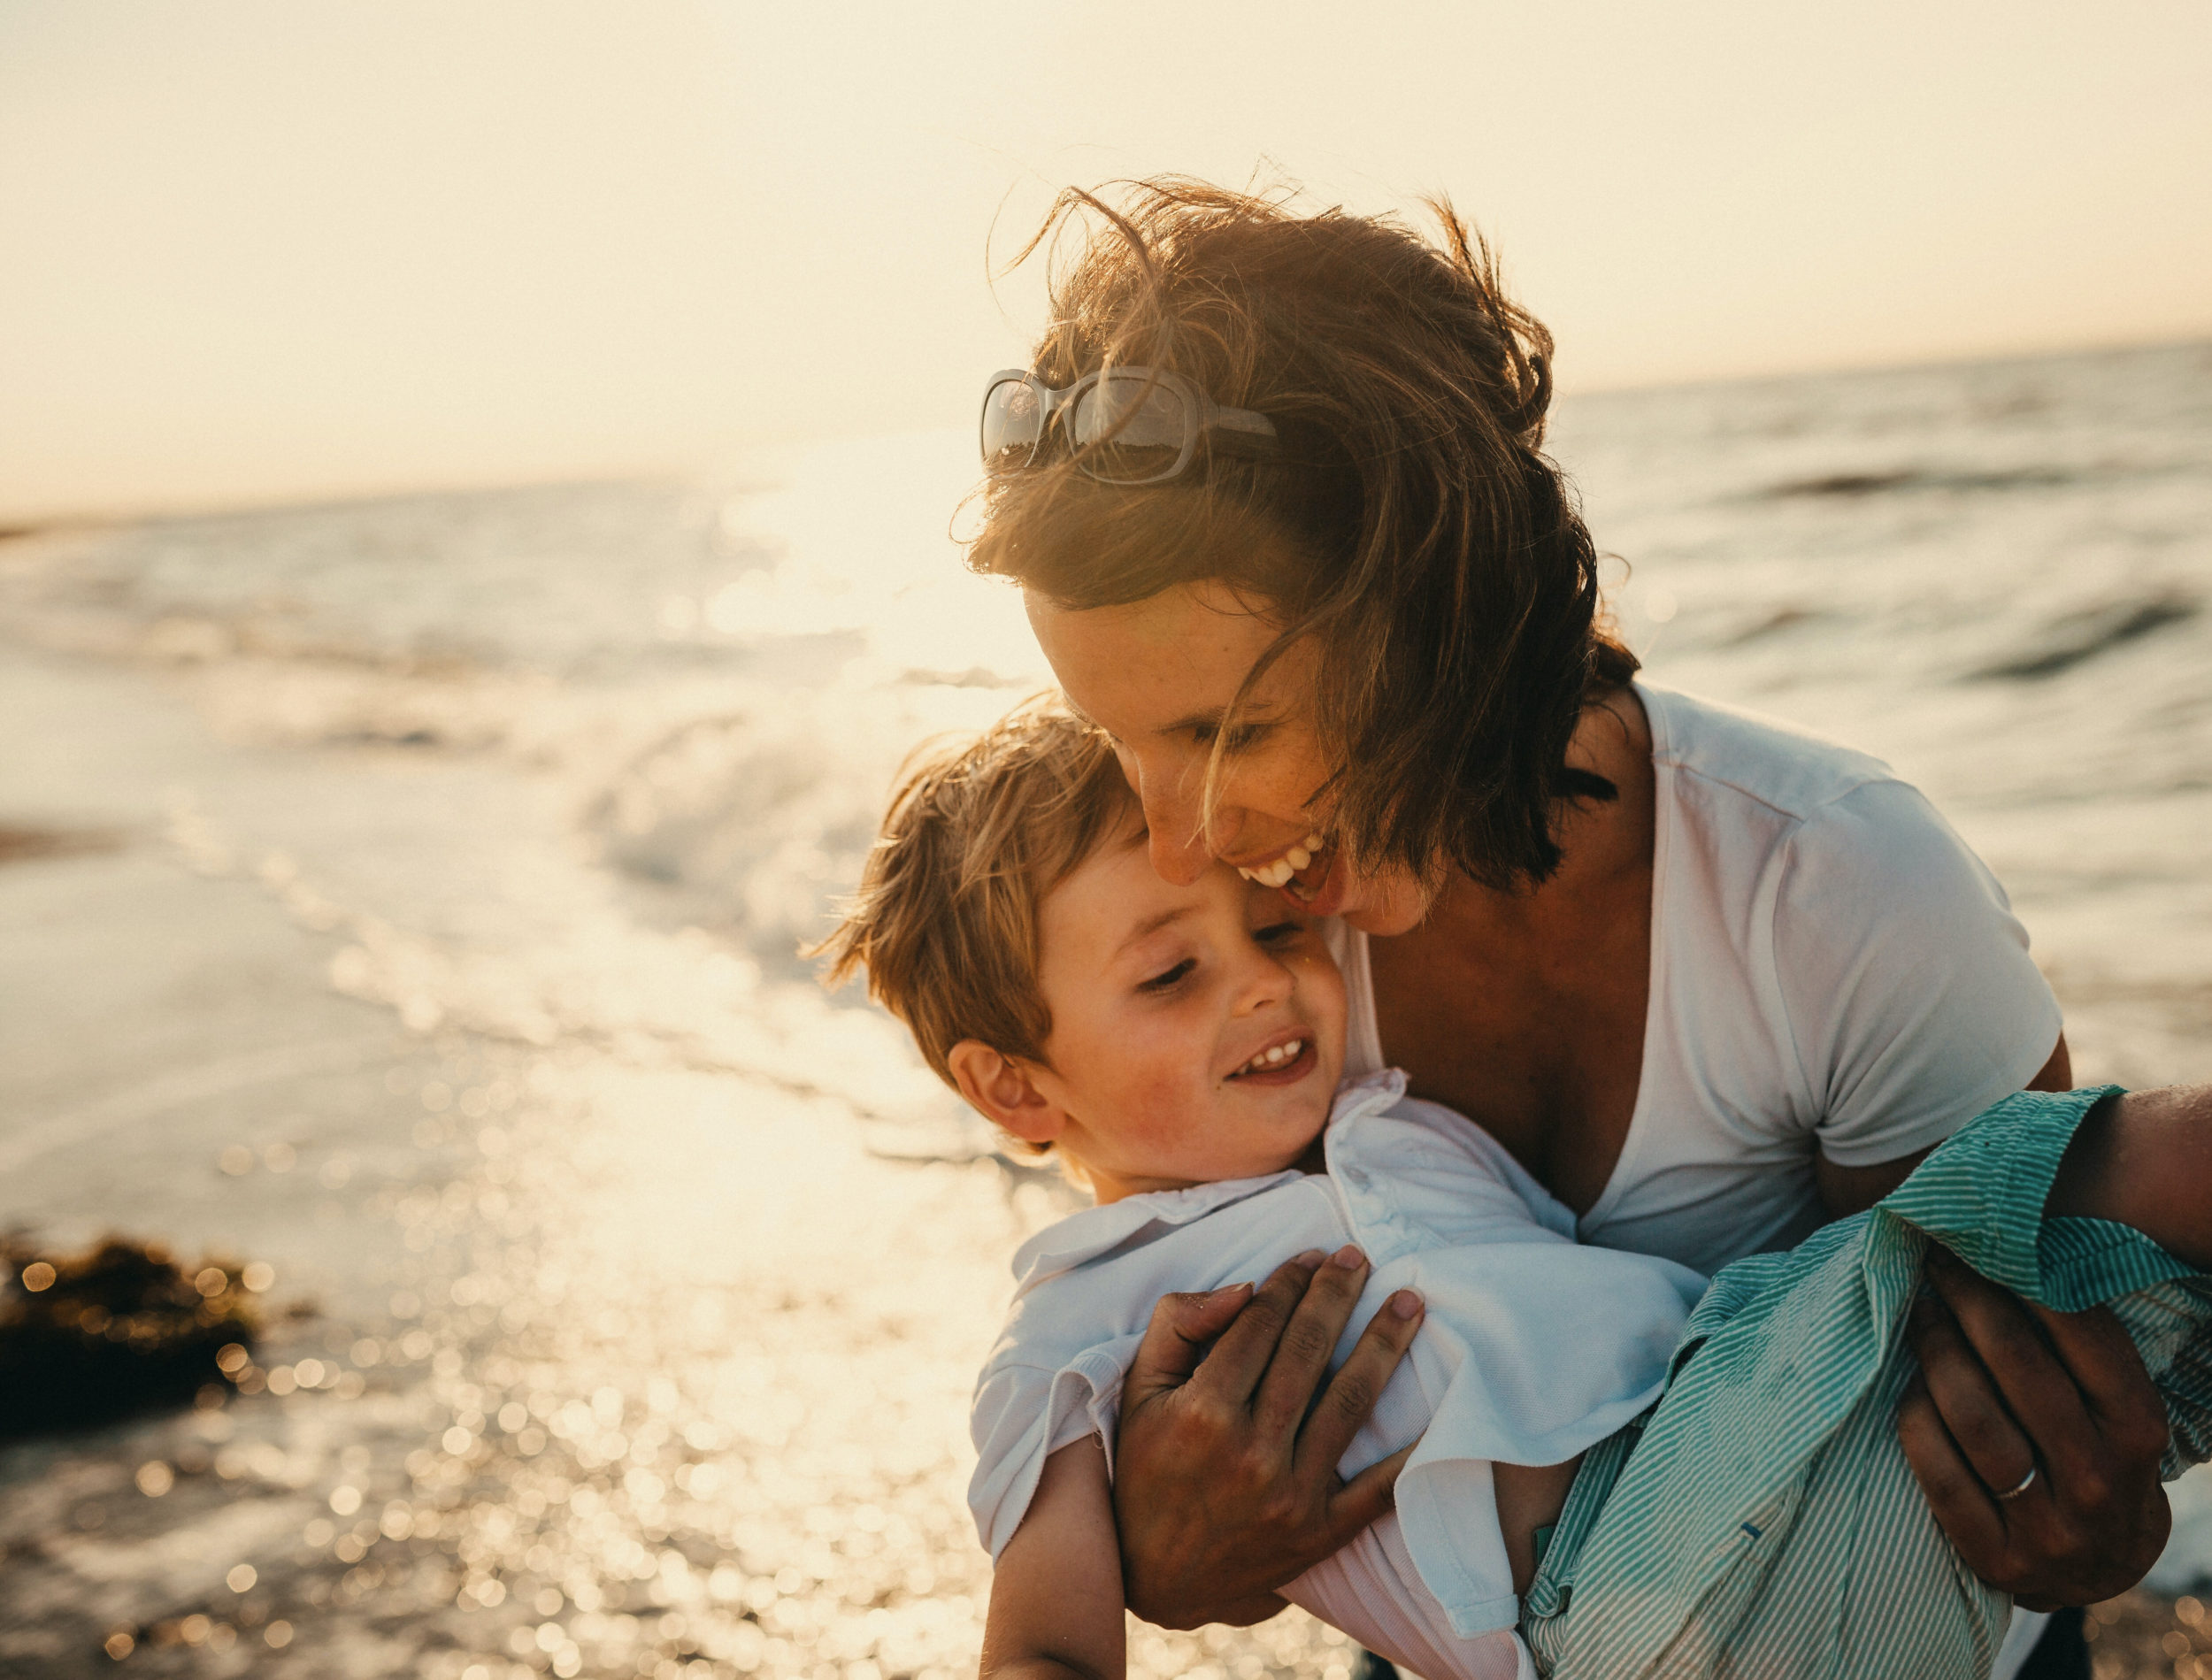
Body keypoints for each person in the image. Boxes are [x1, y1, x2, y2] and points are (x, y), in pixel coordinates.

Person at [958, 179, 2174, 1676]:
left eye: (1229, 729)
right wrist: (1174, 1547)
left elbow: (2012, 1403)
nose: (1180, 835)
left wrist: (2098, 1526)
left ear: (1439, 617)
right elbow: (1164, 1286)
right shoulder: (1244, 954)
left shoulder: (1837, 893)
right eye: (1117, 742)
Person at [815, 703, 2211, 1680]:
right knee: (2152, 1169)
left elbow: (1643, 1312)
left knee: (2154, 1286)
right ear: (1014, 1090)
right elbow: (1046, 1646)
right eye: (1171, 975)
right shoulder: (1080, 1326)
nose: (1265, 978)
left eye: (1276, 926)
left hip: (1784, 1488)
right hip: (1614, 1588)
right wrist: (1151, 1565)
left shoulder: (1394, 1123)